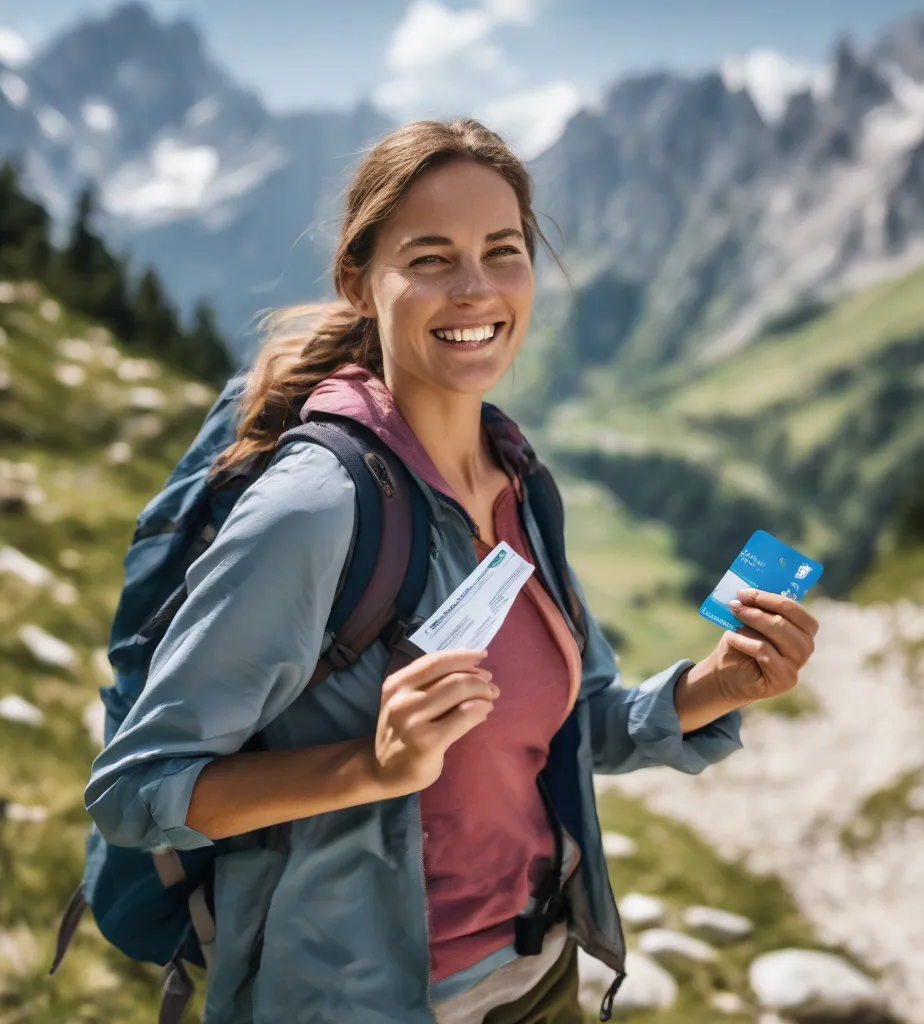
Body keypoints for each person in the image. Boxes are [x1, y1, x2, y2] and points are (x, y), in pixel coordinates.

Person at [85, 118, 819, 1024]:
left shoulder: (513, 474)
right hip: (358, 1002)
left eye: (502, 250)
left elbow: (562, 726)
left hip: (540, 974)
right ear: (360, 281)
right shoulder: (315, 509)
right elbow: (135, 792)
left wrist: (713, 687)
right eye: (430, 258)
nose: (476, 289)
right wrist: (370, 765)